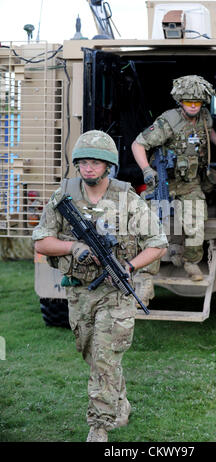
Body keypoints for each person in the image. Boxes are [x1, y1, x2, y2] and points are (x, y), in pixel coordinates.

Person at [32, 130, 168, 442]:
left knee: (106, 357)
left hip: (116, 294)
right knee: (92, 354)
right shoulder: (63, 197)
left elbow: (158, 244)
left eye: (96, 163)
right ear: (77, 165)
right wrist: (72, 248)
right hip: (79, 292)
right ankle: (120, 404)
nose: (89, 168)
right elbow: (41, 242)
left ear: (108, 166)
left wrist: (128, 266)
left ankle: (99, 425)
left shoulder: (127, 200)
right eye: (84, 163)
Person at [132, 75, 216, 291]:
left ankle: (191, 262)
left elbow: (209, 130)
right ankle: (146, 270)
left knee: (196, 223)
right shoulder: (168, 122)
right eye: (188, 102)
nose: (193, 106)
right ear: (180, 102)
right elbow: (137, 144)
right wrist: (147, 169)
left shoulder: (203, 115)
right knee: (153, 226)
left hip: (190, 182)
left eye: (197, 102)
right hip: (164, 182)